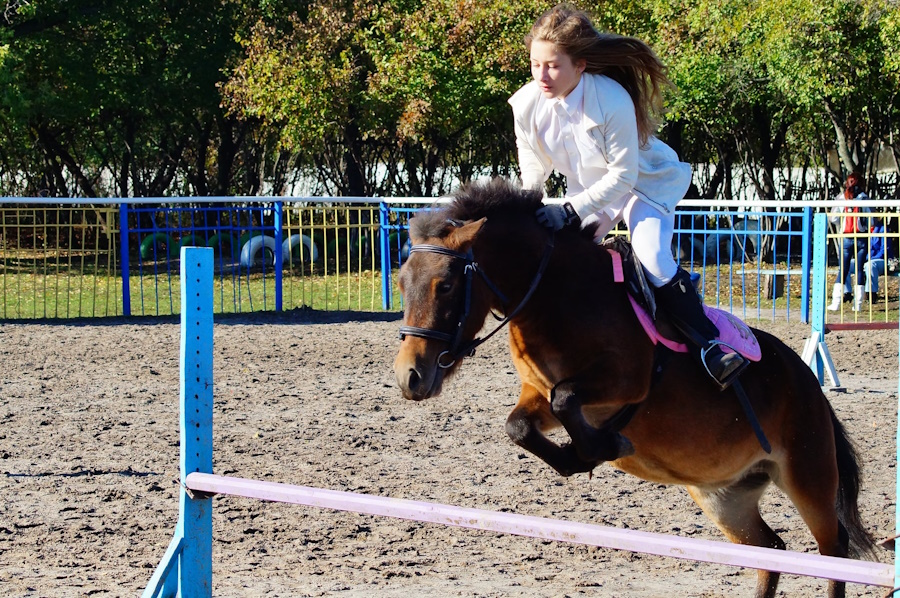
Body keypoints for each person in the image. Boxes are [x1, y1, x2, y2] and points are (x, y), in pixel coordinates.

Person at [508, 4, 746, 389]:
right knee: (563, 259)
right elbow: (533, 163)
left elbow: (622, 177)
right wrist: (531, 203)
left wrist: (570, 209)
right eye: (535, 64)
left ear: (581, 65)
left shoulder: (611, 99)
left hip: (644, 184)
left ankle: (711, 345)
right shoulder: (526, 103)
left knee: (651, 255)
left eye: (553, 65)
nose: (542, 76)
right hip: (590, 192)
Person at [827, 172, 870, 312]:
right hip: (862, 237)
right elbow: (872, 217)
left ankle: (836, 303)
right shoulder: (864, 198)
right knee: (859, 270)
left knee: (843, 270)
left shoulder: (842, 198)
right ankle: (858, 305)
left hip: (846, 237)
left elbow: (833, 218)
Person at [863, 217, 892, 301]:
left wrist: (870, 258)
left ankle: (871, 294)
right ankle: (847, 293)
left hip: (881, 261)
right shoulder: (863, 229)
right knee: (847, 264)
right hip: (865, 259)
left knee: (870, 265)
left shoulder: (883, 229)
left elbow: (884, 250)